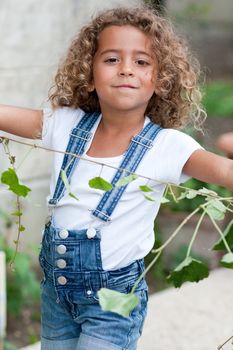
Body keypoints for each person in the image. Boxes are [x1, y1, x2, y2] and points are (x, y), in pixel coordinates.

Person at [0, 6, 233, 350]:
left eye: (141, 62)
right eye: (111, 59)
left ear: (161, 80)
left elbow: (225, 171)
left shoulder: (166, 146)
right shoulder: (65, 125)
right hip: (57, 295)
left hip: (113, 304)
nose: (126, 69)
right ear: (89, 74)